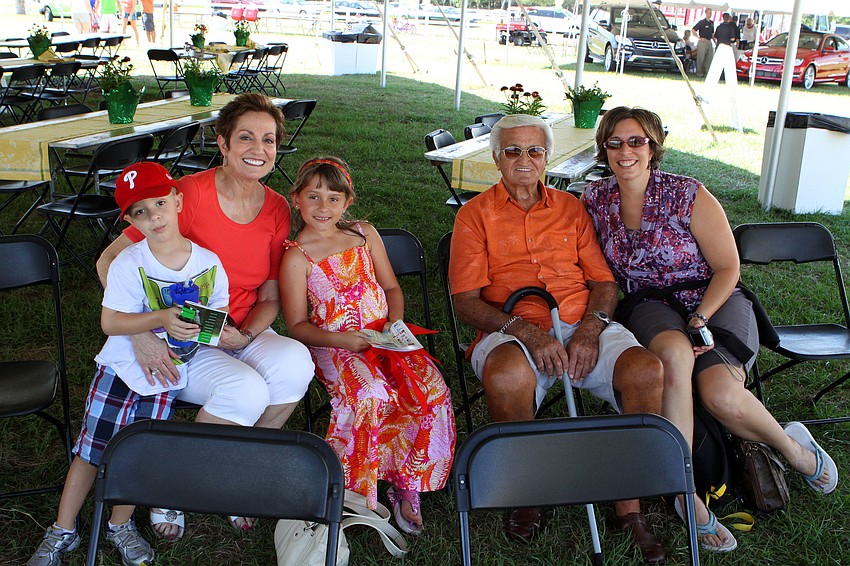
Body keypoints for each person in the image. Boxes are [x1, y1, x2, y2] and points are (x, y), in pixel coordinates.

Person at [582, 106, 840, 554]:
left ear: (654, 145)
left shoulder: (688, 193)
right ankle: (687, 495)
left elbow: (727, 266)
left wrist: (701, 317)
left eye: (637, 141)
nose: (626, 151)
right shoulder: (594, 198)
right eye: (615, 142)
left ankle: (795, 449)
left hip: (713, 296)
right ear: (604, 149)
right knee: (676, 357)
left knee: (720, 394)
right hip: (648, 304)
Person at [448, 114, 667, 564]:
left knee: (646, 369)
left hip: (579, 320)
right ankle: (528, 490)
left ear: (548, 157)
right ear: (495, 159)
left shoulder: (571, 207)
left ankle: (628, 506)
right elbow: (466, 303)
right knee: (507, 375)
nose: (524, 160)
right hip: (511, 326)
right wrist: (527, 333)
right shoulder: (474, 216)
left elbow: (604, 283)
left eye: (535, 151)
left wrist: (588, 331)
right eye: (513, 151)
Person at [97, 93, 315, 539]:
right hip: (178, 334)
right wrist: (143, 333)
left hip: (238, 328)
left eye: (269, 140)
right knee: (248, 389)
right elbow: (108, 262)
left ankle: (235, 471)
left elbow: (270, 294)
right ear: (223, 143)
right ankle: (171, 488)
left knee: (295, 363)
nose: (258, 149)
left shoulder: (275, 207)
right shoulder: (185, 195)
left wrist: (246, 334)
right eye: (246, 138)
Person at [28, 162, 230, 566]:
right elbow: (111, 321)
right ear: (131, 220)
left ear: (178, 201)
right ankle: (63, 529)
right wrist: (159, 319)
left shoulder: (208, 263)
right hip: (120, 370)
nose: (153, 215)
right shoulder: (129, 263)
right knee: (91, 451)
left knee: (140, 451)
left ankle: (120, 525)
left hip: (165, 376)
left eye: (160, 202)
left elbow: (215, 313)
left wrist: (198, 338)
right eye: (140, 211)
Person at [280, 157, 456, 535]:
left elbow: (391, 287)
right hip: (335, 345)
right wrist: (343, 340)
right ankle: (354, 492)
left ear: (347, 202)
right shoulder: (297, 256)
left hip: (385, 337)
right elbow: (296, 325)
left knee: (430, 391)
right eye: (313, 197)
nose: (323, 207)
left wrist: (394, 323)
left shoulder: (364, 234)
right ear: (296, 199)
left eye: (333, 198)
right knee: (369, 394)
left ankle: (406, 479)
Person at [692, 8, 714, 77]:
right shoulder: (702, 22)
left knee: (709, 58)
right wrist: (698, 38)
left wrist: (715, 41)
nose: (710, 14)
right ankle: (699, 72)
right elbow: (693, 30)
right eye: (709, 12)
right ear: (706, 13)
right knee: (700, 58)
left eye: (711, 12)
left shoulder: (711, 23)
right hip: (702, 41)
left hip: (709, 41)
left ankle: (707, 72)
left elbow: (712, 33)